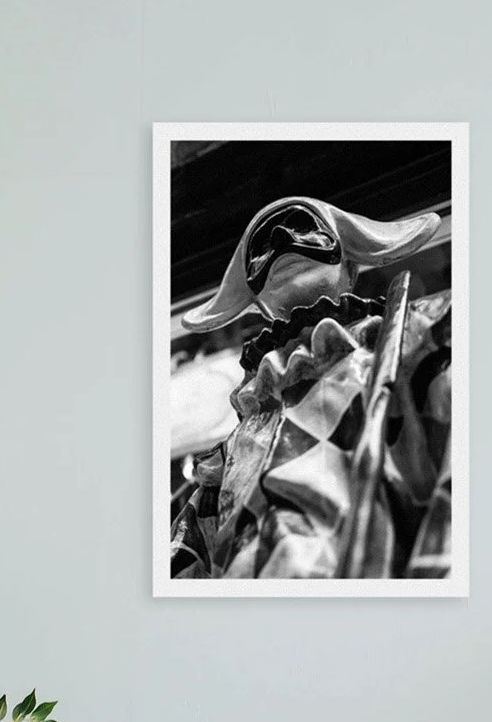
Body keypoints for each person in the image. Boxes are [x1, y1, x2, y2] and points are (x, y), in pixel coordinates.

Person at [169, 196, 453, 581]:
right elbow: (184, 563)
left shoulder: (420, 337)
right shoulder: (228, 453)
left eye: (303, 226)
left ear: (350, 267)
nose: (284, 237)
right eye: (262, 248)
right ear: (258, 303)